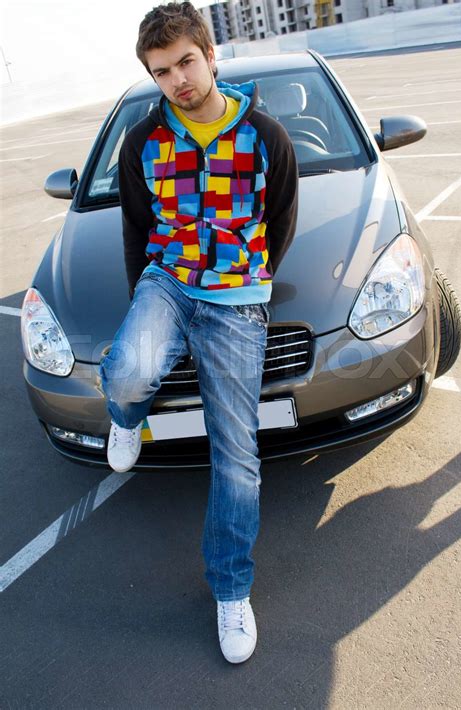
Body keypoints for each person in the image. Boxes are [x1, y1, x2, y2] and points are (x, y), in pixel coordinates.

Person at [99, 1, 298, 664]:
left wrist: (251, 277)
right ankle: (125, 418)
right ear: (152, 77)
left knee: (237, 460)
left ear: (211, 56)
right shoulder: (145, 142)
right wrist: (146, 302)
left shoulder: (265, 135)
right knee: (129, 366)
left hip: (237, 301)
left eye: (186, 61)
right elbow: (135, 226)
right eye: (162, 71)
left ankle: (231, 592)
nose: (178, 79)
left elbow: (279, 220)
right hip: (168, 282)